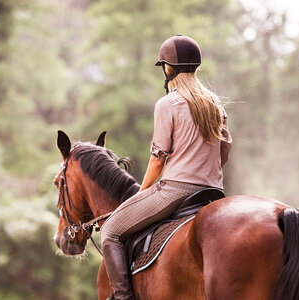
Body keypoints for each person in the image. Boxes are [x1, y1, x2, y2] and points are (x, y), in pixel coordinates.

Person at [100, 34, 233, 300]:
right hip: (213, 191)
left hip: (175, 191)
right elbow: (224, 151)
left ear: (168, 68)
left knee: (110, 230)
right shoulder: (214, 104)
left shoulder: (167, 104)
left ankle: (123, 297)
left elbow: (158, 159)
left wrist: (141, 194)